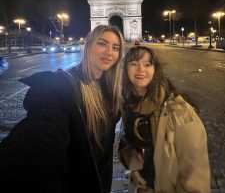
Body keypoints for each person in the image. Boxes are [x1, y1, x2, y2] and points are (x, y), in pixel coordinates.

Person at [0, 25, 125, 193]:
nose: (110, 52)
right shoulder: (61, 86)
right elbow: (42, 131)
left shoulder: (113, 89)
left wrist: (127, 145)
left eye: (115, 47)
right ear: (87, 45)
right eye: (102, 44)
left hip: (101, 181)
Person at [118, 46, 210, 193]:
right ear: (125, 68)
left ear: (156, 69)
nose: (141, 69)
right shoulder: (128, 105)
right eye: (134, 63)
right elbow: (130, 145)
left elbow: (195, 176)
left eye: (147, 64)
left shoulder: (180, 112)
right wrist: (130, 158)